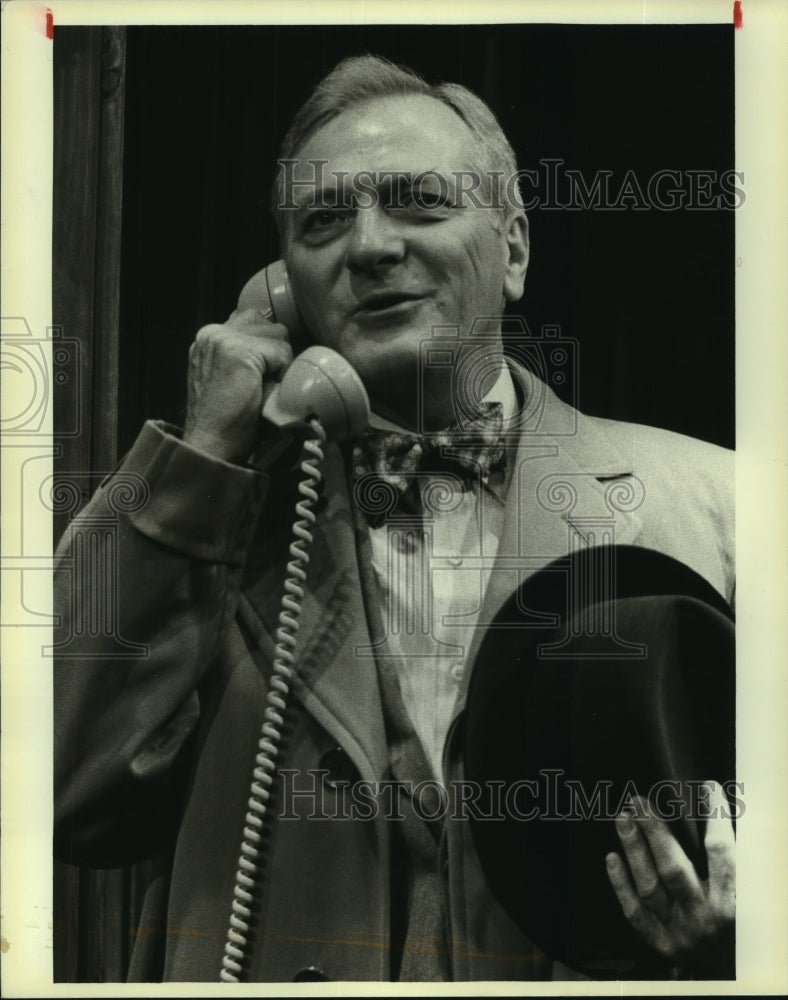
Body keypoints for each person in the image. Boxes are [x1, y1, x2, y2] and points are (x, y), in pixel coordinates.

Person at [53, 55, 735, 983]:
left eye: (419, 200)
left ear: (516, 249)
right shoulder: (211, 517)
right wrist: (201, 464)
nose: (369, 247)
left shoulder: (723, 503)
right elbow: (61, 799)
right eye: (323, 220)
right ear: (281, 284)